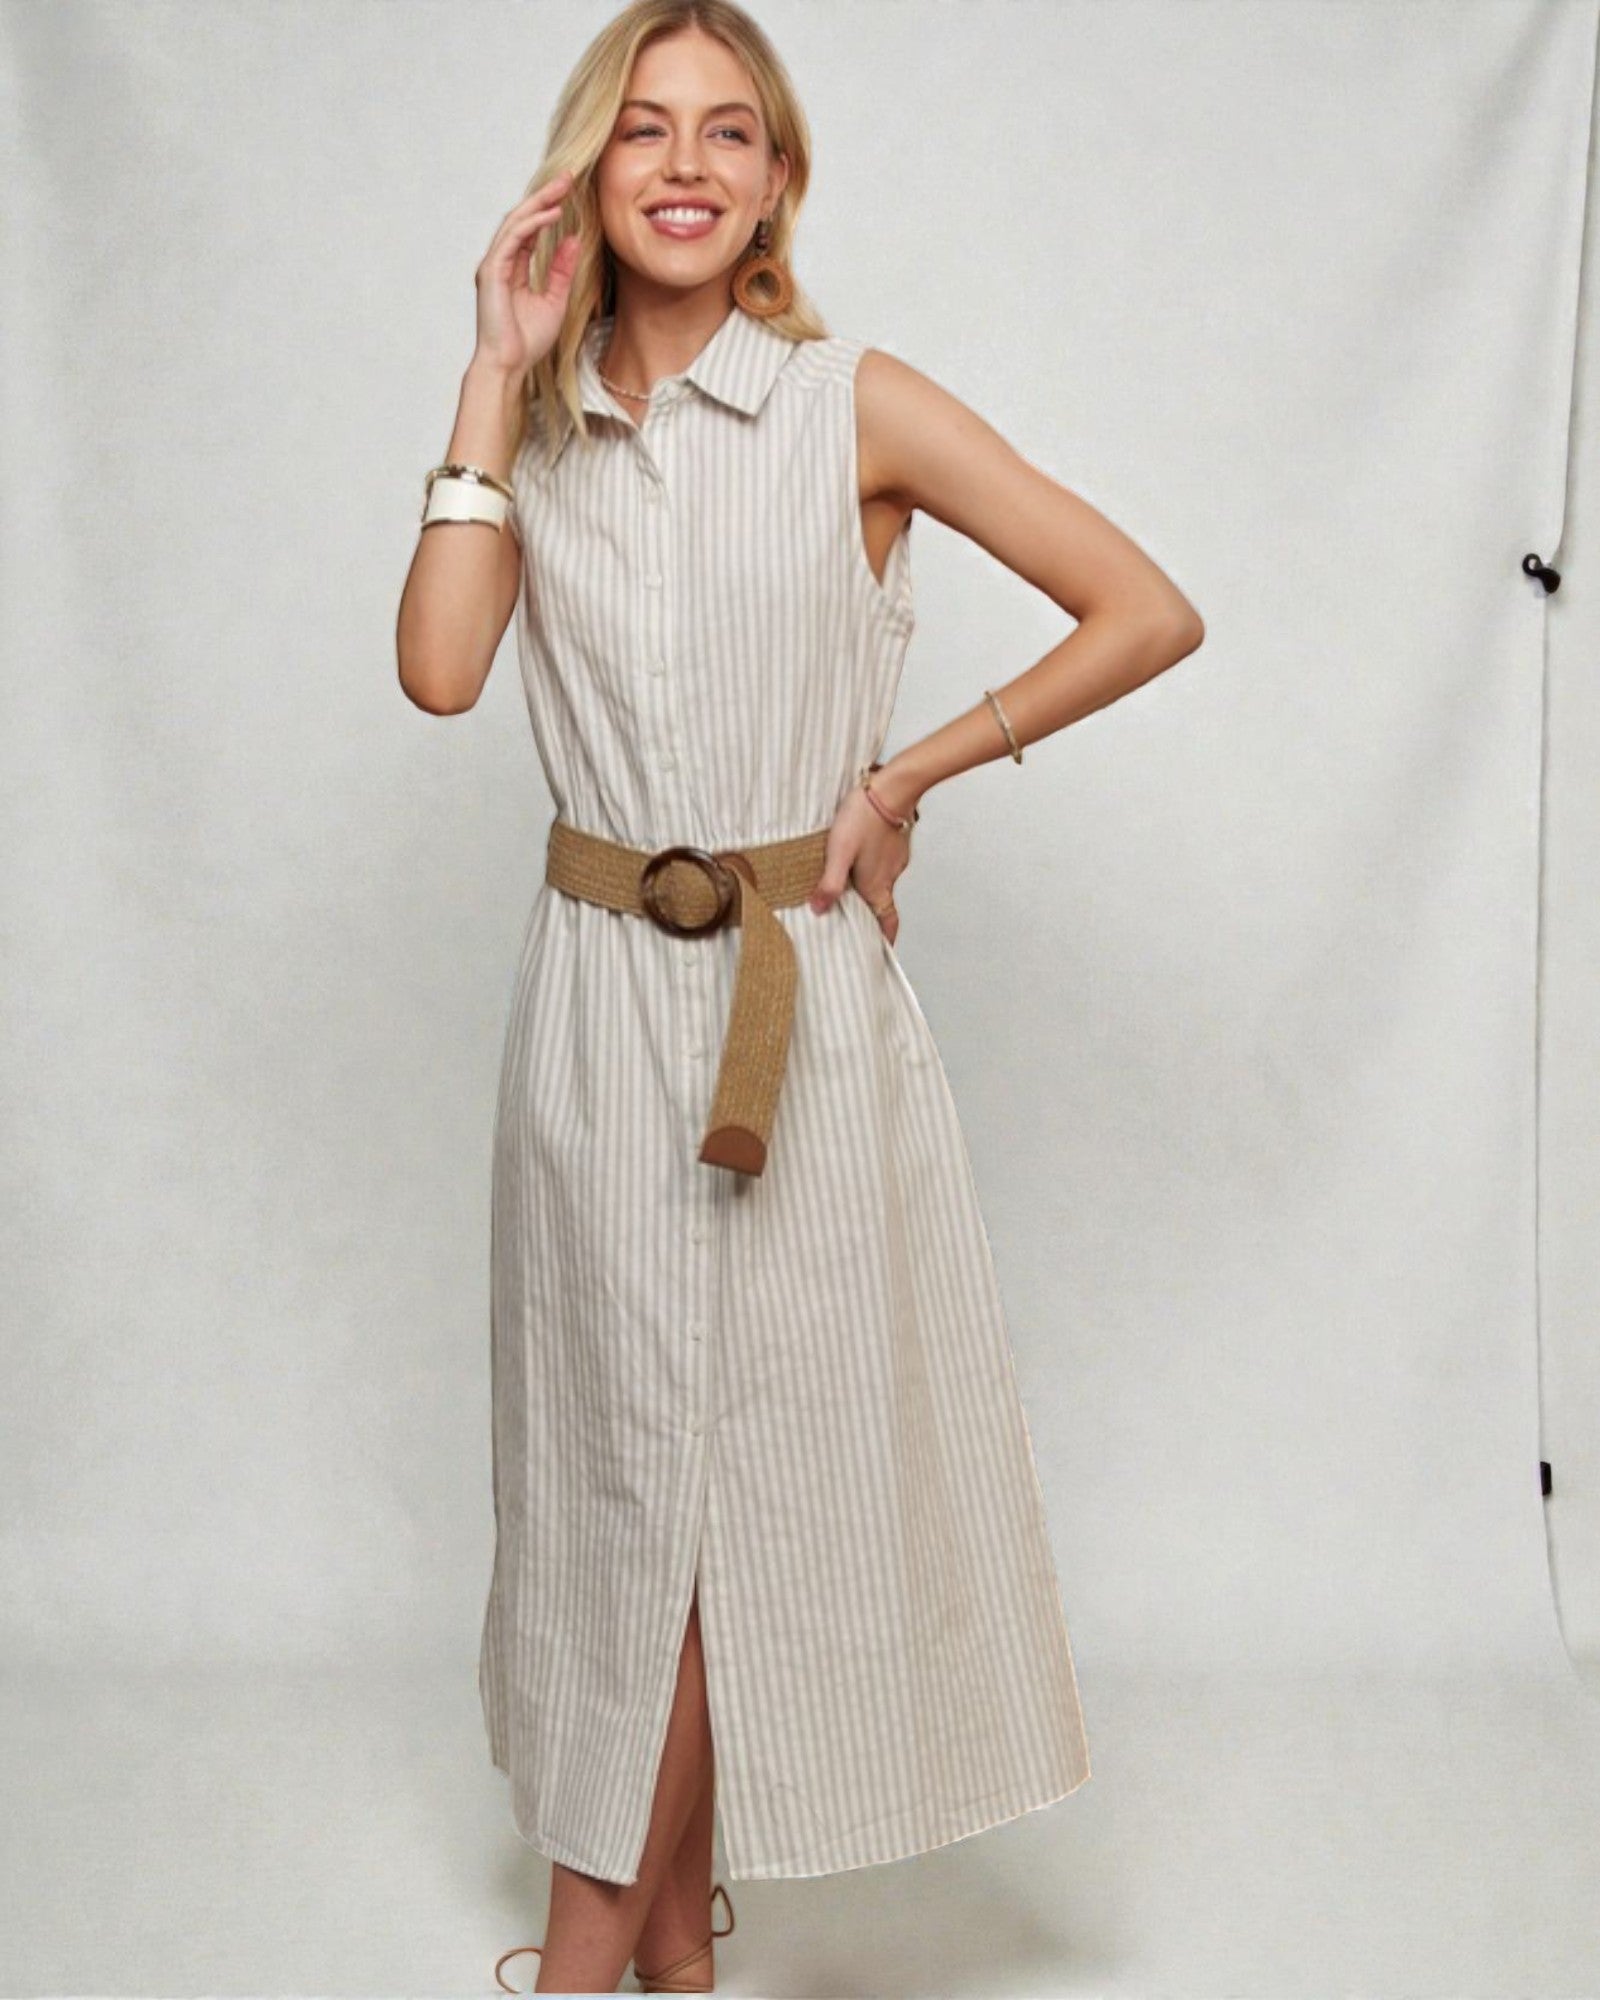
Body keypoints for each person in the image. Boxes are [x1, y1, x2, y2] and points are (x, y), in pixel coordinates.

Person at [396, 2, 1203, 1991]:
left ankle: (587, 1939)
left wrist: (902, 774)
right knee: (615, 1475)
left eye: (727, 132)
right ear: (584, 173)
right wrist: (490, 377)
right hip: (589, 1013)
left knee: (725, 1472)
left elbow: (1142, 607)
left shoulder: (856, 406)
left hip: (795, 1015)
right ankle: (669, 1935)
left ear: (776, 180)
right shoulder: (541, 421)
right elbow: (436, 670)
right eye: (642, 129)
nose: (683, 162)